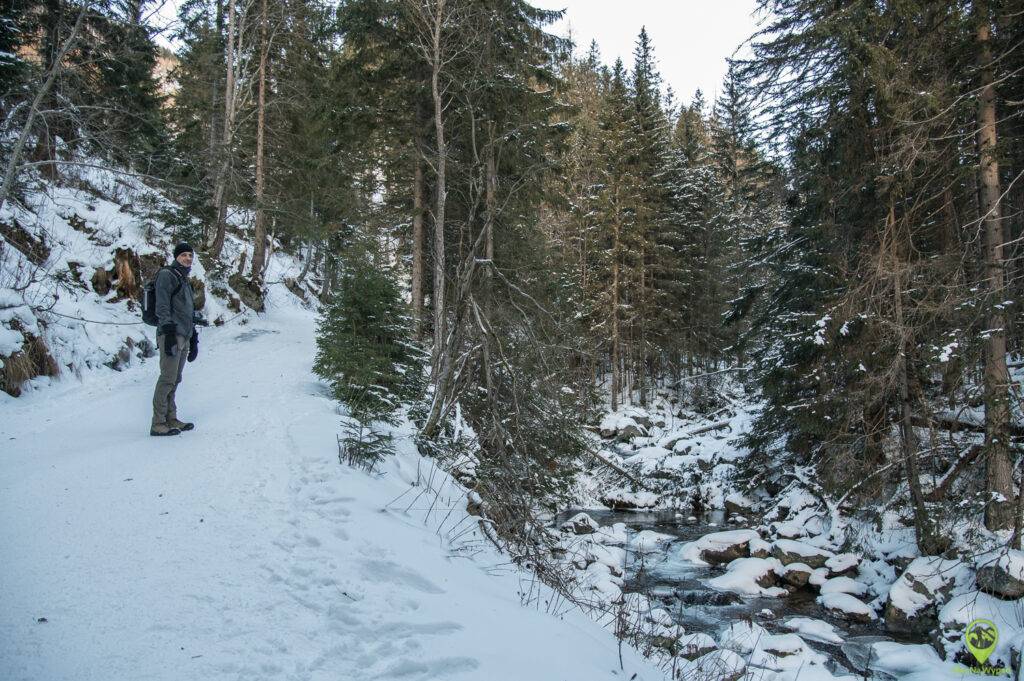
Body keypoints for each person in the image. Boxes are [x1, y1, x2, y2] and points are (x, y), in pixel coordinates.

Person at [150, 242, 200, 436]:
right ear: (176, 257)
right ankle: (158, 423)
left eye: (190, 255)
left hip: (184, 335)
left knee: (175, 379)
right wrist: (169, 332)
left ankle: (171, 418)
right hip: (172, 334)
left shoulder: (184, 279)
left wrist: (193, 337)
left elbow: (187, 311)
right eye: (184, 255)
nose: (188, 258)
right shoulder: (167, 275)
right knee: (167, 379)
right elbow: (162, 305)